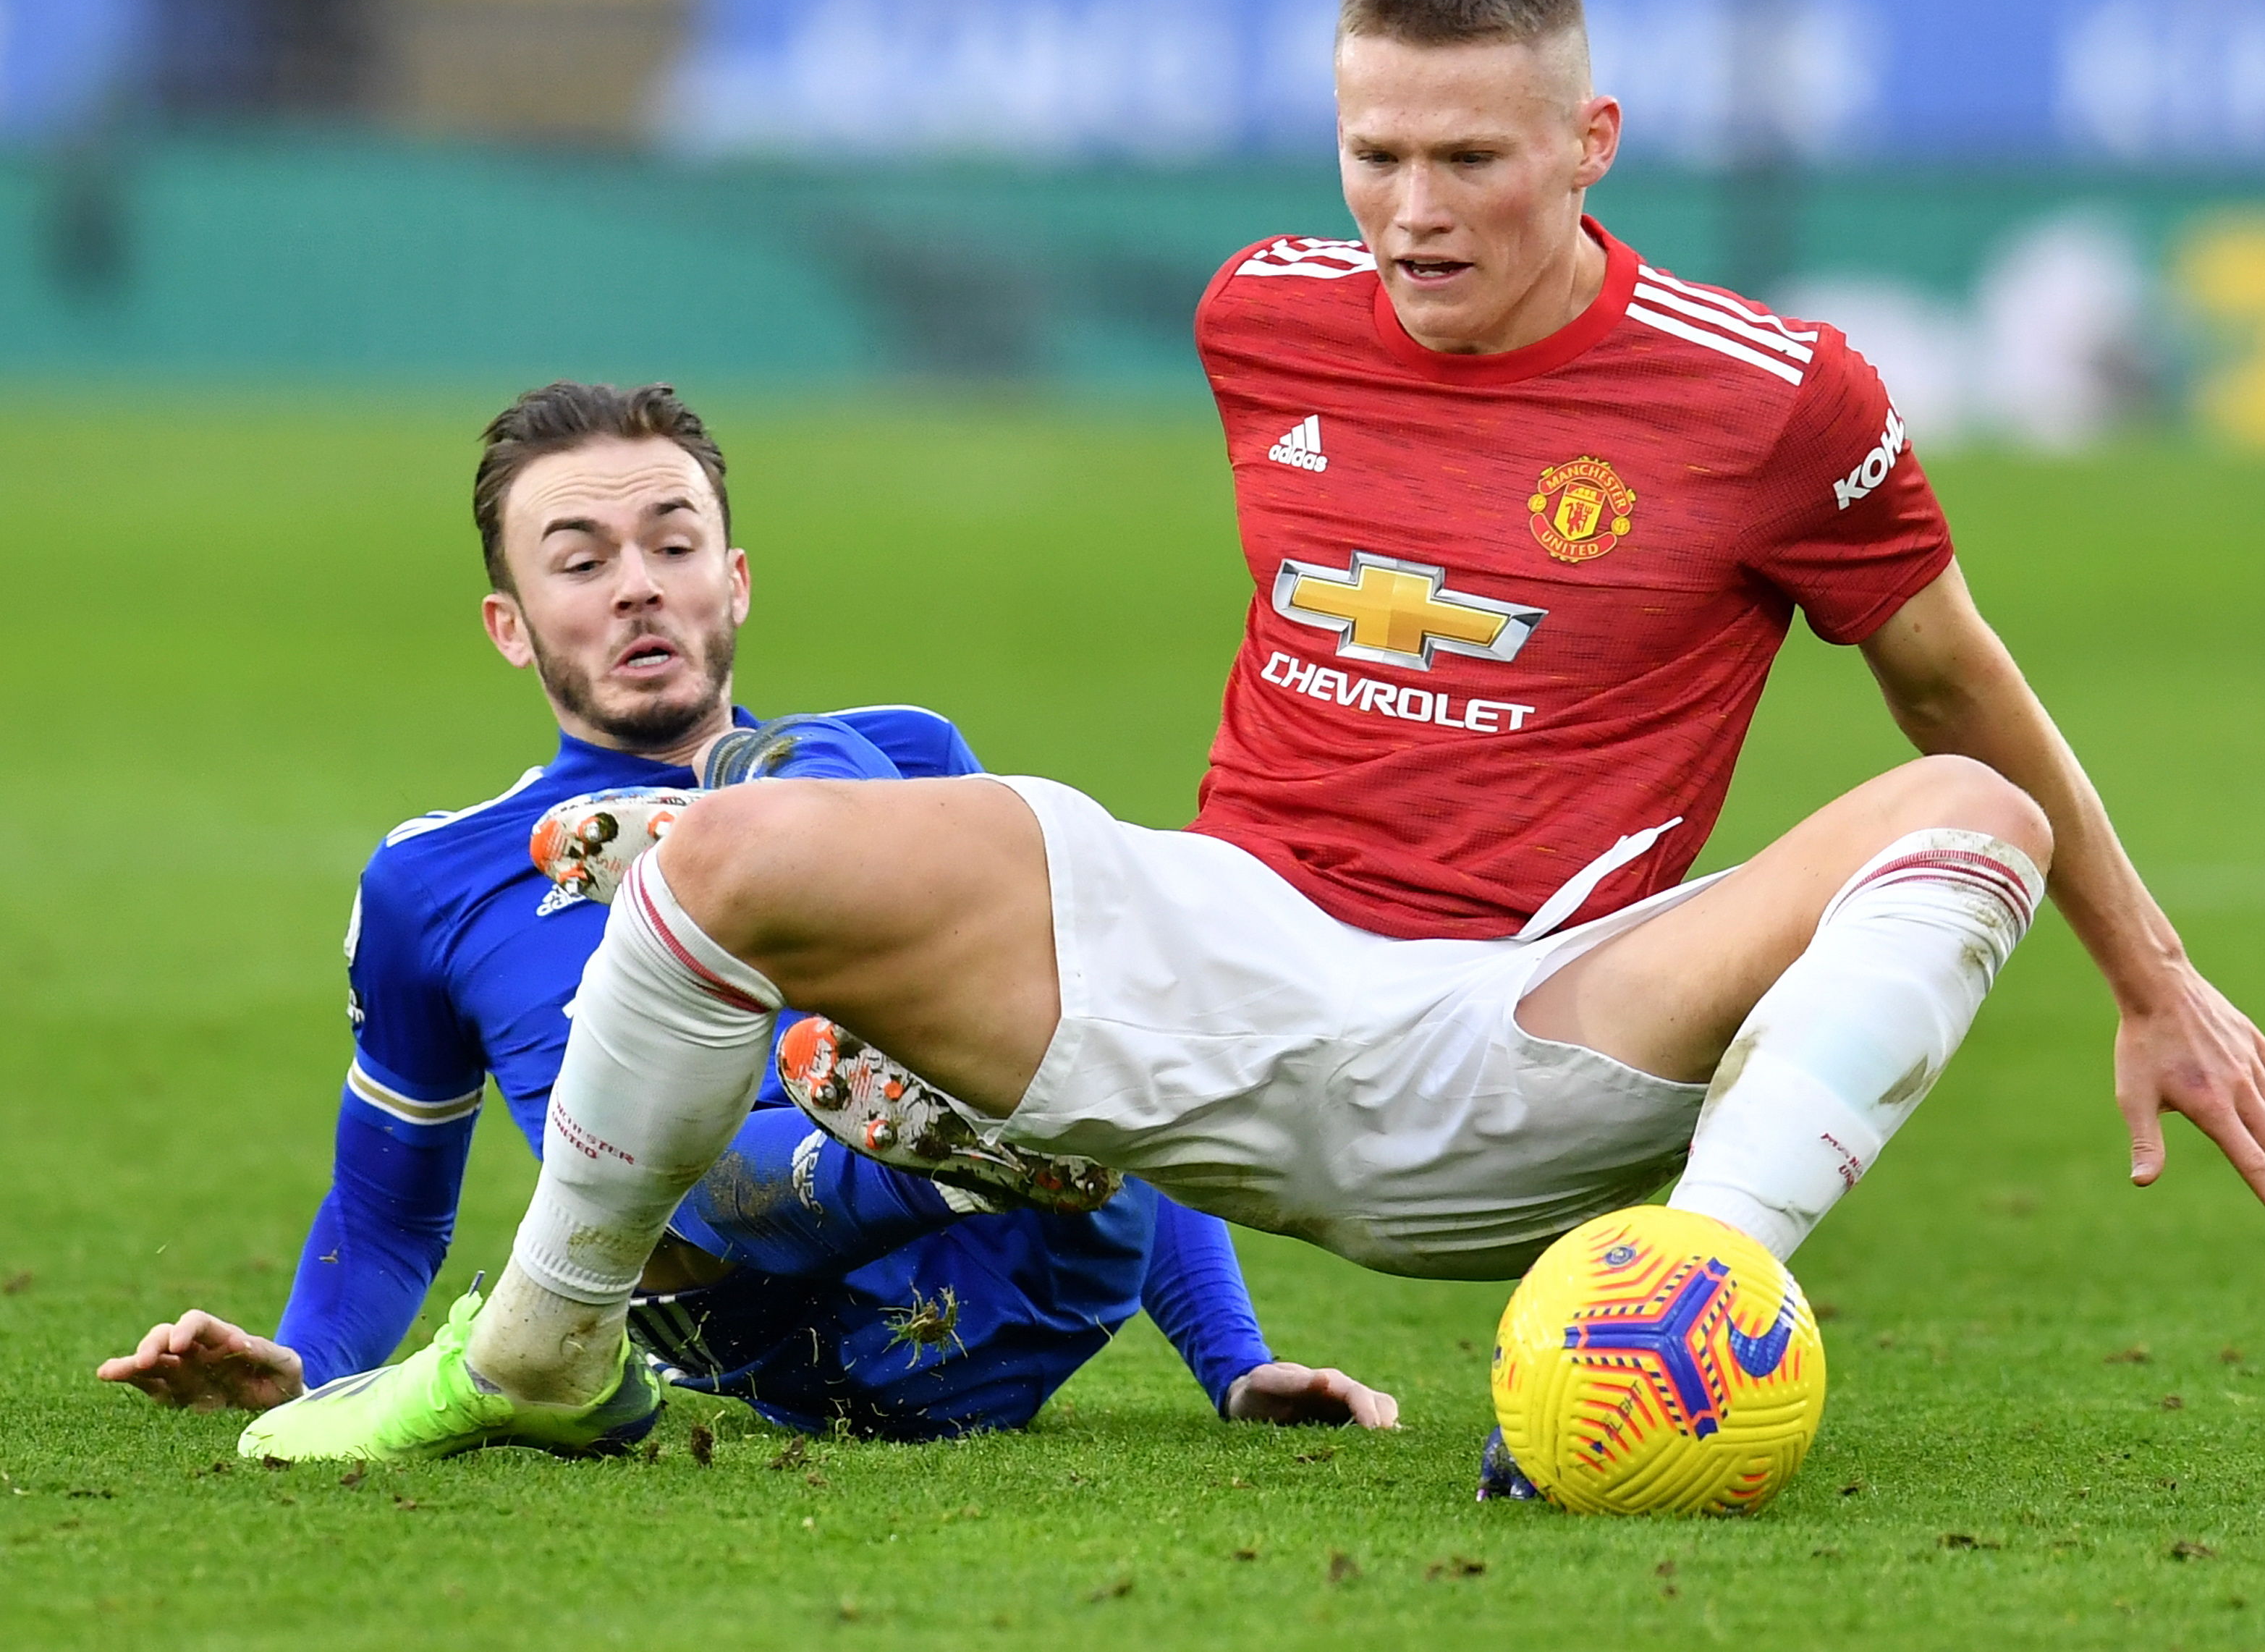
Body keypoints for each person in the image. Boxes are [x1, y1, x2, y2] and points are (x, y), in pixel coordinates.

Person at [242, 0, 2265, 1465]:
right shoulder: (1262, 312)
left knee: (1972, 817)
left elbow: (1954, 683)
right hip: (1207, 965)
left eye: (1468, 159)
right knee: (732, 849)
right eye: (1372, 152)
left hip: (1529, 1028)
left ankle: (1660, 1322)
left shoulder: (1775, 399)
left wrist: (2149, 980)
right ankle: (541, 1345)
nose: (1411, 211)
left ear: (1588, 142)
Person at [102, 382, 1393, 1449]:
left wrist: (1236, 1361)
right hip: (755, 1322)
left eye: (672, 547)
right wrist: (310, 1368)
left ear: (735, 582)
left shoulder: (910, 758)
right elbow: (390, 1209)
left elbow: (1108, 1043)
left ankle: (755, 842)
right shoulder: (431, 880)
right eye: (582, 562)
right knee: (663, 1124)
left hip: (1031, 1273)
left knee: (892, 793)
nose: (638, 587)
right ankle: (903, 1115)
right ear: (511, 626)